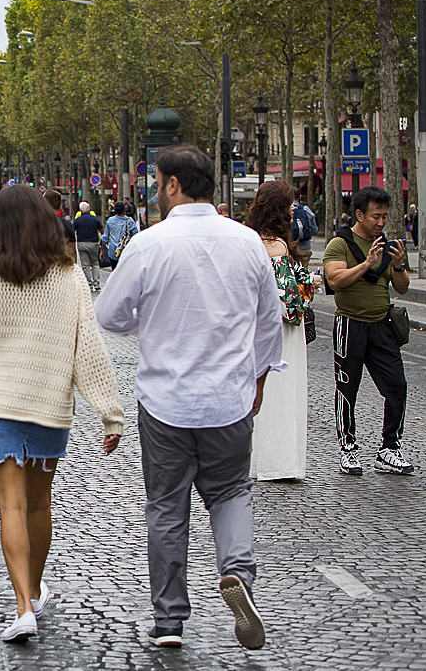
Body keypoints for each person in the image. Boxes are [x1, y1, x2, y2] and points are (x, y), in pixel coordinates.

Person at [95, 145, 282, 651]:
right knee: (230, 492)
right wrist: (260, 376)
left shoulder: (148, 244)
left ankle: (169, 620)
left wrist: (147, 319)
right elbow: (269, 321)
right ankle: (238, 572)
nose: (156, 191)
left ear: (174, 184)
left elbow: (109, 313)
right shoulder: (248, 243)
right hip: (229, 398)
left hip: (166, 401)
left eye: (158, 183)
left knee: (167, 507)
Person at [0, 185, 124, 643]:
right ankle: (37, 590)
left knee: (11, 506)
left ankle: (23, 604)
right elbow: (89, 345)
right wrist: (110, 411)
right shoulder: (67, 275)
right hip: (48, 401)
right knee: (41, 503)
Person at [323, 185, 413, 475]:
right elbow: (335, 280)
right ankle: (348, 448)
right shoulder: (339, 244)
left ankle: (389, 448)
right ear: (359, 214)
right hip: (350, 325)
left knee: (397, 386)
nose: (381, 222)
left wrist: (397, 266)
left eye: (385, 217)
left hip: (382, 326)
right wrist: (366, 264)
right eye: (376, 216)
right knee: (348, 388)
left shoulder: (387, 245)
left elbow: (402, 287)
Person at [246, 182, 321, 480]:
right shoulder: (276, 245)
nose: (294, 208)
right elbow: (290, 295)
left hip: (253, 326)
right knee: (282, 395)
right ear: (279, 208)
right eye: (290, 204)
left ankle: (255, 460)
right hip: (282, 330)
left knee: (258, 395)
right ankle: (280, 462)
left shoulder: (248, 239)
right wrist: (310, 284)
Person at [73, 201, 104, 291]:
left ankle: (88, 283)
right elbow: (102, 231)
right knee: (95, 263)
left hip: (81, 243)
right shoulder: (95, 219)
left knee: (85, 265)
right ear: (89, 209)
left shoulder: (78, 220)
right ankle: (96, 282)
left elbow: (72, 230)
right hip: (93, 243)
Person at [100, 201, 138, 270]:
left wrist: (102, 251)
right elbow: (135, 237)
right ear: (124, 209)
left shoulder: (110, 221)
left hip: (113, 252)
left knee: (114, 272)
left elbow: (105, 237)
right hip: (126, 252)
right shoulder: (130, 221)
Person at [289, 197, 317, 268]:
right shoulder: (305, 209)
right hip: (305, 246)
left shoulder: (286, 209)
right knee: (304, 270)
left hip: (290, 246)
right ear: (299, 197)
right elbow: (314, 227)